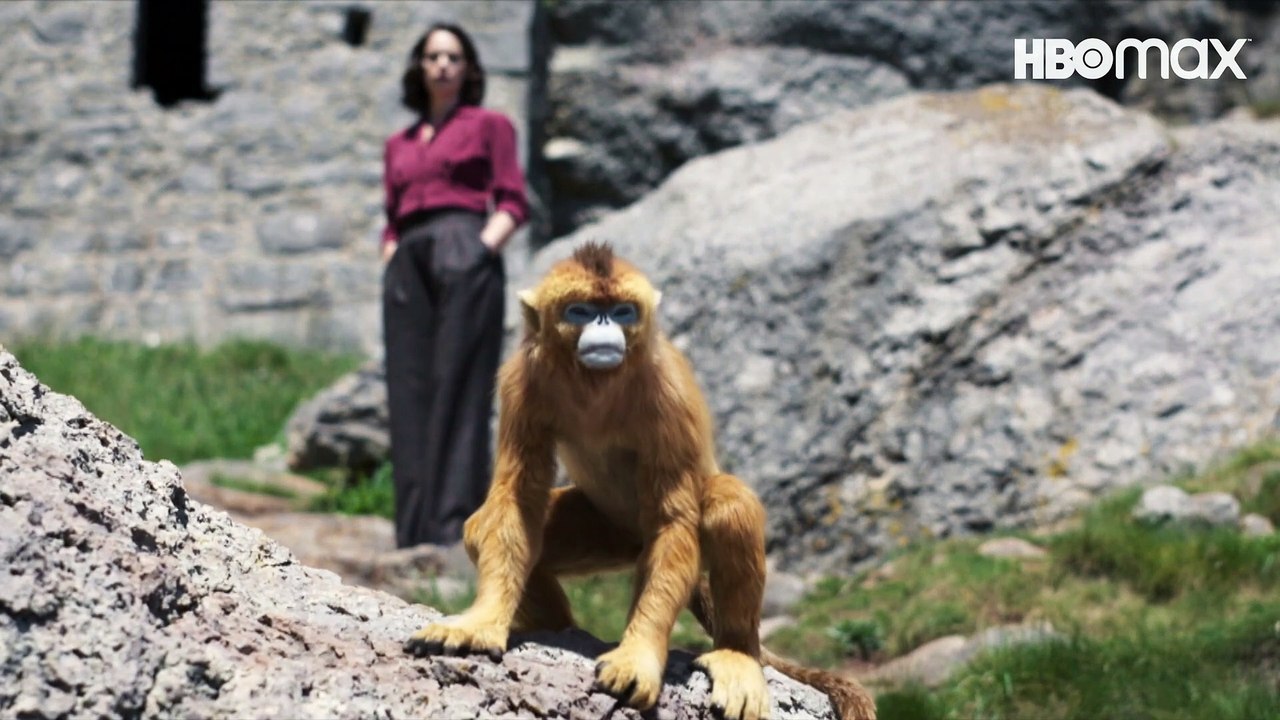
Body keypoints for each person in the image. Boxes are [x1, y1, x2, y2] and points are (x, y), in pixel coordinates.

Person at [380, 23, 529, 548]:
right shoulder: (398, 143)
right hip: (408, 263)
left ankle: (452, 530)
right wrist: (391, 253)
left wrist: (481, 250)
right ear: (419, 67)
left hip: (465, 246)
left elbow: (513, 201)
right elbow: (391, 216)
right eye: (433, 56)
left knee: (460, 387)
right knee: (408, 388)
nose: (443, 65)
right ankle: (412, 531)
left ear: (468, 69)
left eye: (454, 57)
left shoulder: (490, 126)